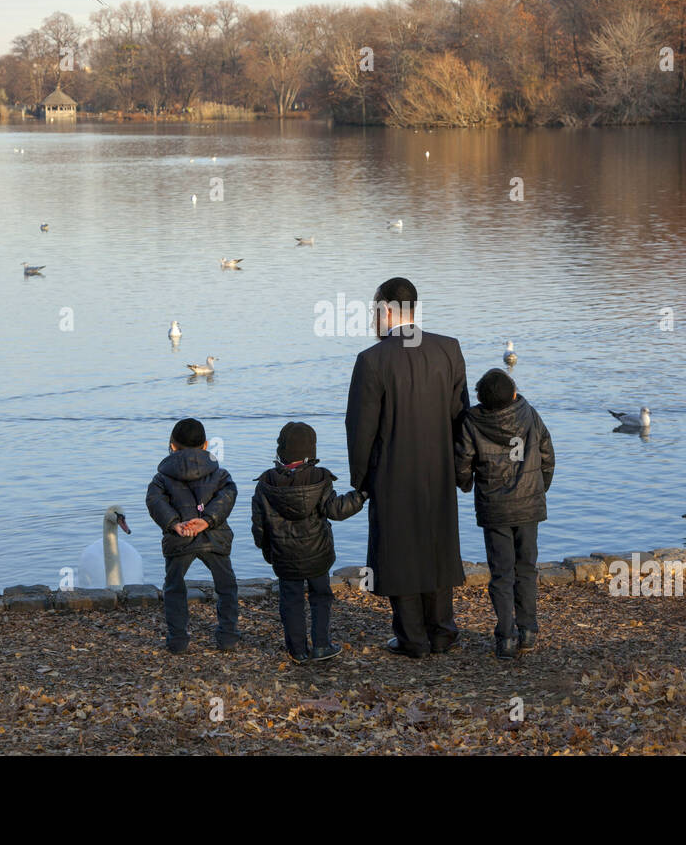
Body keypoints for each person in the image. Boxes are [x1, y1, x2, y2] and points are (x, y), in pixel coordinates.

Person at [345, 276, 469, 658]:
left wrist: (361, 481)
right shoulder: (449, 349)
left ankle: (412, 638)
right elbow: (461, 418)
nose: (371, 318)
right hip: (440, 471)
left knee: (398, 552)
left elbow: (359, 428)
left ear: (385, 309)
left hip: (392, 473)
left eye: (372, 310)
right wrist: (461, 470)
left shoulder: (372, 360)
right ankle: (442, 631)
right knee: (437, 545)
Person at [455, 369, 555, 659]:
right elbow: (548, 455)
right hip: (528, 506)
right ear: (513, 394)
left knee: (501, 573)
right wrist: (538, 489)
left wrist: (465, 484)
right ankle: (528, 631)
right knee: (526, 568)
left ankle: (507, 637)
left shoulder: (472, 422)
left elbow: (463, 461)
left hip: (494, 508)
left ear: (481, 399)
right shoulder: (529, 413)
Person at [251, 421, 366, 662]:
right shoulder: (320, 478)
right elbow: (337, 510)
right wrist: (361, 494)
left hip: (284, 556)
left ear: (280, 450)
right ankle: (322, 645)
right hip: (318, 555)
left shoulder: (266, 483)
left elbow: (259, 525)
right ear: (311, 451)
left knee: (290, 601)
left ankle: (297, 650)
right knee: (320, 598)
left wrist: (268, 552)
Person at [145, 418, 239, 654]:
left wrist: (175, 524)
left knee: (174, 587)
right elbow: (228, 496)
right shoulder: (220, 474)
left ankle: (178, 640)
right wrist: (207, 520)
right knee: (226, 586)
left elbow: (155, 501)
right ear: (205, 445)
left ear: (173, 446)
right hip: (214, 536)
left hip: (180, 538)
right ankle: (228, 636)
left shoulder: (162, 478)